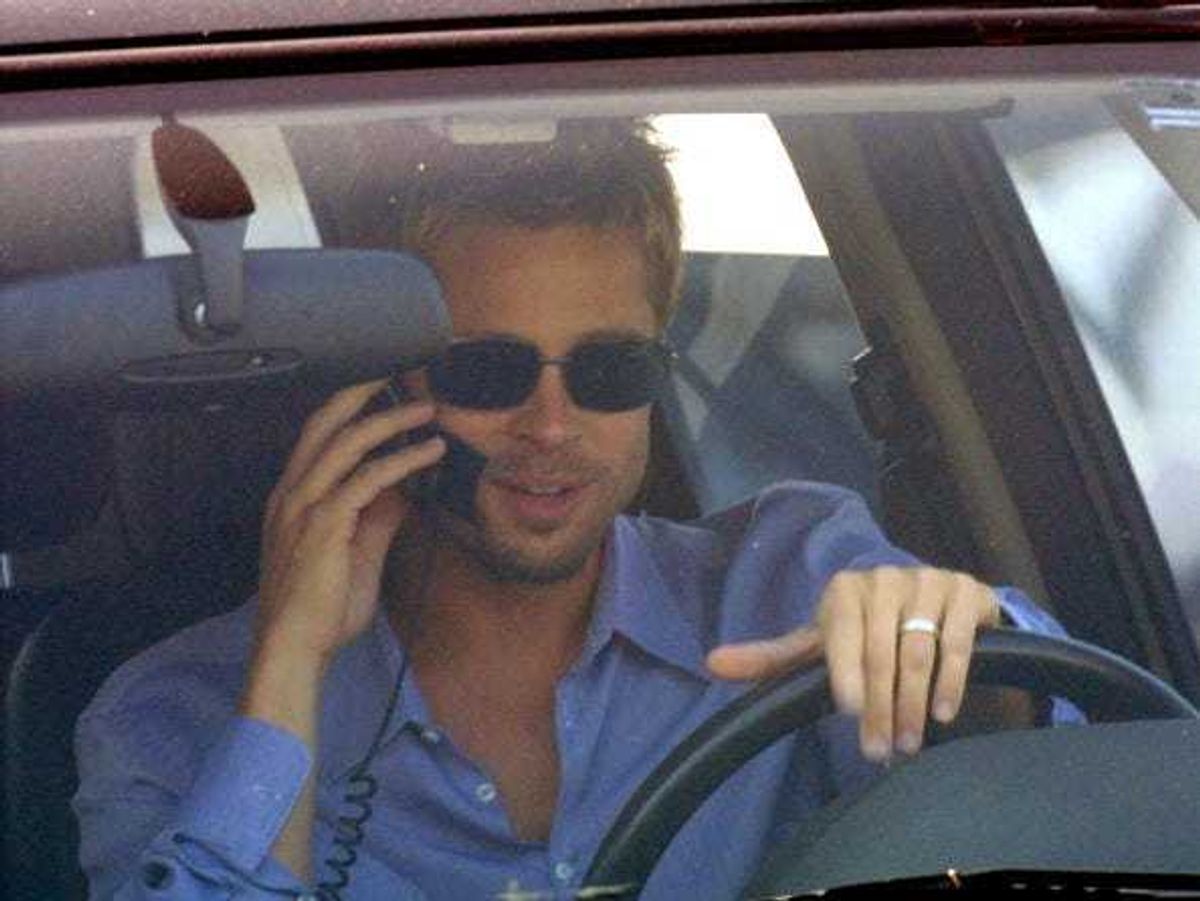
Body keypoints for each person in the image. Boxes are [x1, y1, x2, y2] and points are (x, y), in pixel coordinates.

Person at [74, 119, 1070, 900]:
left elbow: (1069, 767)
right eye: (489, 368)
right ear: (384, 385)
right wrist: (291, 667)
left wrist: (960, 646)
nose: (552, 424)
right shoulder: (172, 713)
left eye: (608, 368)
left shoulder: (790, 572)